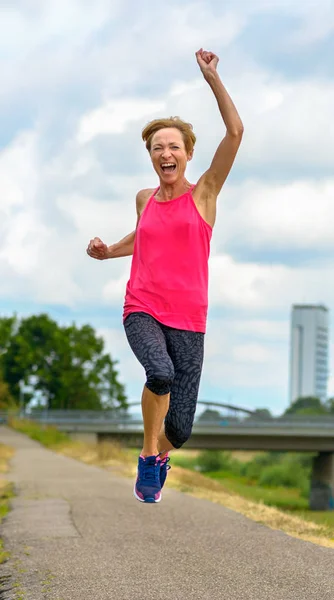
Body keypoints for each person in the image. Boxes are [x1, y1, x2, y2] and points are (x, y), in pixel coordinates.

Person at [87, 49, 243, 503]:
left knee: (183, 427)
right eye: (158, 148)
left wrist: (212, 78)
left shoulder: (205, 195)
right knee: (160, 372)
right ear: (152, 157)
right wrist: (107, 252)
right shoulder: (144, 198)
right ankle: (148, 456)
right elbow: (144, 237)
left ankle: (159, 452)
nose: (165, 152)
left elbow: (235, 133)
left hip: (190, 319)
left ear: (188, 154)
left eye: (173, 146)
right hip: (143, 307)